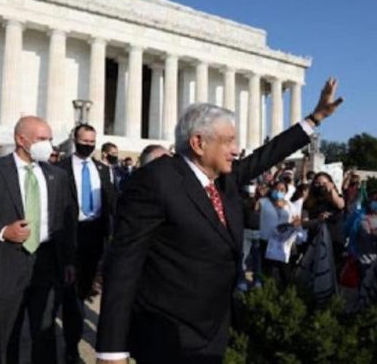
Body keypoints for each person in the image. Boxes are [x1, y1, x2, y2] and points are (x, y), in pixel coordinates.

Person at [95, 77, 342, 363]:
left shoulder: (223, 179)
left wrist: (315, 118)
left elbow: (267, 155)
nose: (236, 150)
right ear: (198, 142)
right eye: (228, 142)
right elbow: (124, 264)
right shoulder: (156, 181)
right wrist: (111, 349)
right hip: (167, 335)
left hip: (213, 330)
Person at [0, 116, 77, 364]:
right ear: (21, 140)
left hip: (45, 264)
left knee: (44, 335)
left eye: (50, 139)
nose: (49, 145)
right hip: (3, 265)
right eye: (43, 139)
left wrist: (69, 261)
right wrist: (1, 232)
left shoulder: (57, 175)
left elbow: (67, 222)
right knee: (6, 338)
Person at [57, 123, 117, 363]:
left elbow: (114, 202)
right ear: (75, 139)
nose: (89, 145)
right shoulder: (60, 169)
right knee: (72, 296)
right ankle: (71, 346)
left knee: (90, 290)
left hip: (96, 237)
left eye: (93, 142)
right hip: (71, 236)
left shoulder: (102, 169)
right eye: (85, 141)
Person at [259, 181, 299, 285]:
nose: (279, 192)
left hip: (283, 243)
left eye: (282, 190)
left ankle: (286, 293)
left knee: (285, 271)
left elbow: (297, 220)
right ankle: (265, 293)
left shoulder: (290, 205)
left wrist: (294, 224)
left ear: (286, 192)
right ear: (272, 189)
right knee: (266, 271)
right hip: (266, 241)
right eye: (276, 189)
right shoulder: (263, 202)